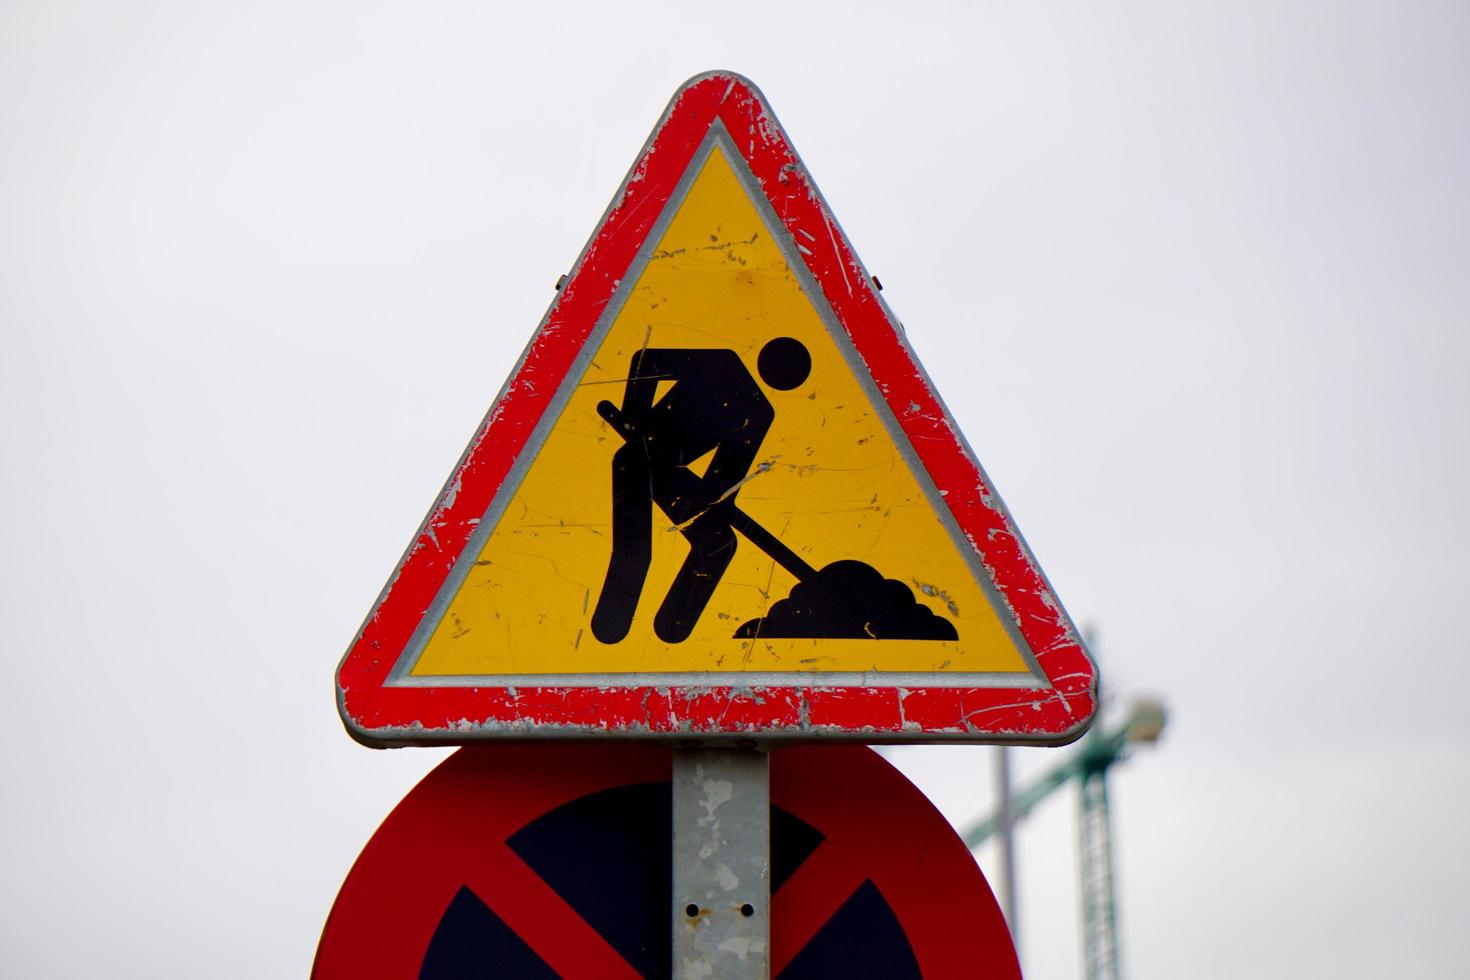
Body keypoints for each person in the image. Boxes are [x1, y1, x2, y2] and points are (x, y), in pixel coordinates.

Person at [590, 337, 811, 644]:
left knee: (719, 541)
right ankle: (612, 622)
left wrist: (715, 502)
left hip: (671, 472)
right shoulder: (723, 363)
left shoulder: (759, 412)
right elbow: (647, 358)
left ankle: (673, 627)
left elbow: (726, 477)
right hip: (636, 458)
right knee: (635, 551)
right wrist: (635, 415)